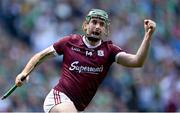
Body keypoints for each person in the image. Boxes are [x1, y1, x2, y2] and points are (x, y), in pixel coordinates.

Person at [15, 8, 156, 113]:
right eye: (94, 22)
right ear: (85, 26)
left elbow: (137, 61)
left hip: (77, 107)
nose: (97, 27)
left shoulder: (109, 51)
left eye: (101, 24)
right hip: (59, 98)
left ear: (106, 30)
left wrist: (148, 36)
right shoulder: (70, 42)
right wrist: (24, 73)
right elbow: (40, 55)